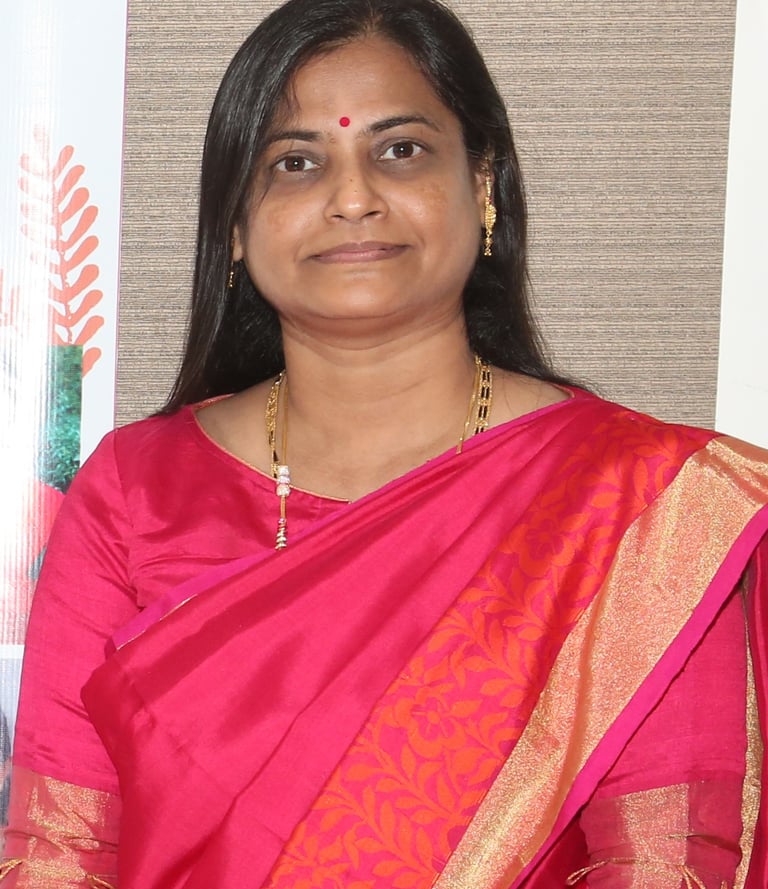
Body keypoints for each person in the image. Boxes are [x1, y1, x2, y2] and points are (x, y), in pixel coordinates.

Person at [3, 0, 767, 886]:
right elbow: (61, 852)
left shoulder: (636, 507)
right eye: (296, 162)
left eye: (400, 150)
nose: (354, 197)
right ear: (237, 226)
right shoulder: (137, 491)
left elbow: (666, 860)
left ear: (482, 185)